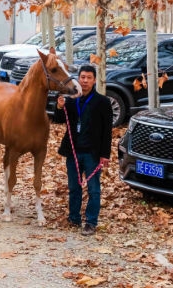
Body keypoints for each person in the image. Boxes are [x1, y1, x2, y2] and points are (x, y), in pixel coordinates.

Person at [53, 64, 112, 236]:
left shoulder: (103, 102)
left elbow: (107, 131)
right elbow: (58, 120)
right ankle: (74, 217)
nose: (85, 81)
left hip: (92, 153)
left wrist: (105, 155)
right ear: (78, 79)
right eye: (82, 77)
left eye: (88, 78)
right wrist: (59, 106)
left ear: (94, 81)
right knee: (74, 186)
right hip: (73, 151)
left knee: (93, 188)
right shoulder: (72, 100)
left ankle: (91, 222)